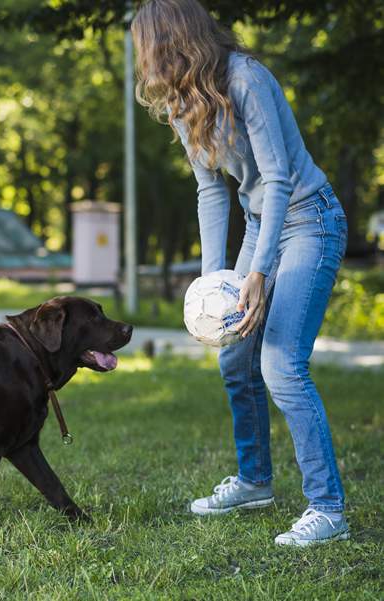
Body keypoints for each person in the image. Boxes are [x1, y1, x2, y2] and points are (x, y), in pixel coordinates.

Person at [132, 0, 349, 546]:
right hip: (261, 220)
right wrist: (214, 284)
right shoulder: (183, 103)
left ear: (173, 40)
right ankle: (255, 481)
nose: (145, 62)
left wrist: (256, 272)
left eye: (148, 47)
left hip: (309, 218)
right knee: (235, 356)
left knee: (280, 363)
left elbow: (276, 178)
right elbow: (212, 190)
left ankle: (327, 509)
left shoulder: (246, 79)